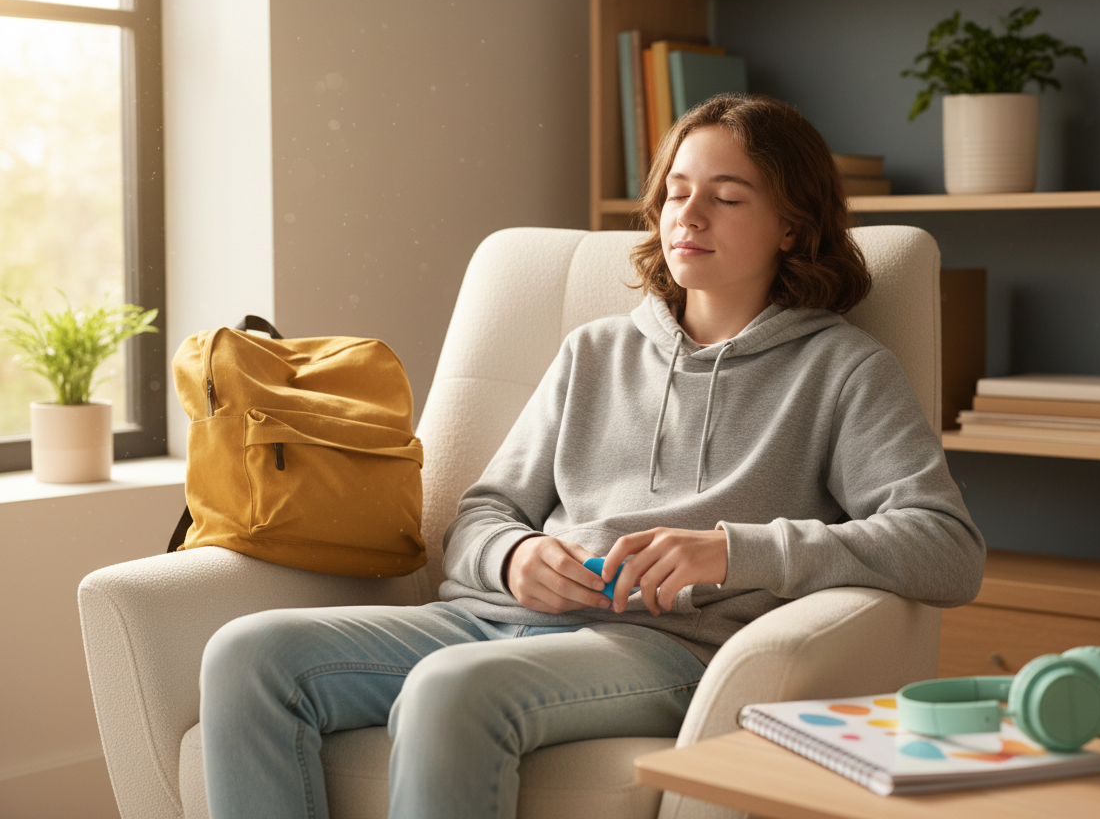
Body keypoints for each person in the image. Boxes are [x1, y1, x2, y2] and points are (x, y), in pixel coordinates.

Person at [199, 94, 985, 819]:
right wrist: (514, 558)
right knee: (246, 654)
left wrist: (732, 551)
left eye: (728, 196)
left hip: (665, 647)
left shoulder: (841, 370)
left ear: (790, 224)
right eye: (677, 190)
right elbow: (480, 515)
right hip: (490, 618)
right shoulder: (595, 352)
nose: (690, 214)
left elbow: (946, 549)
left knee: (450, 692)